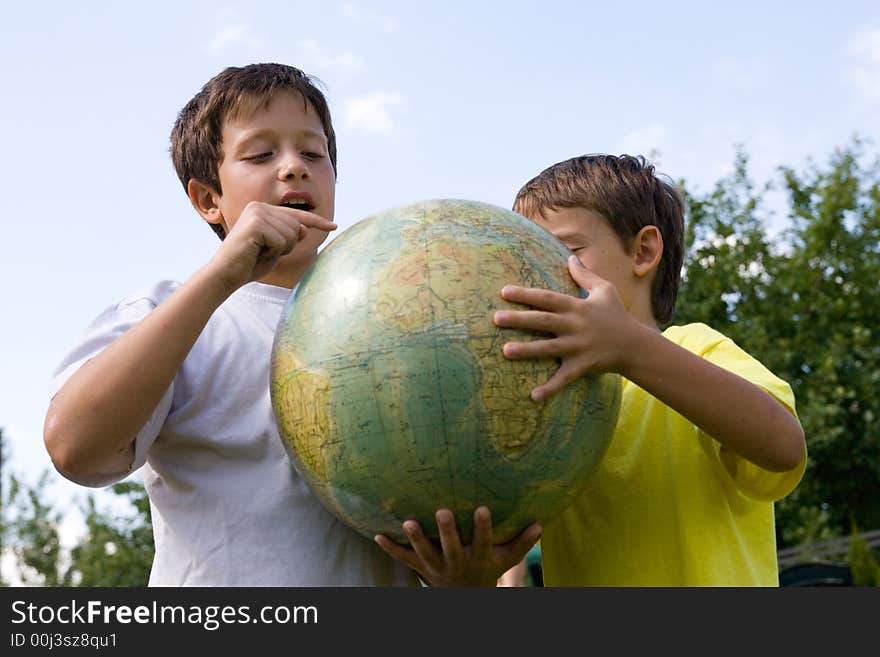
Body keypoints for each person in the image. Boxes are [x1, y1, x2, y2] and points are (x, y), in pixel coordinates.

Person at [42, 63, 418, 586]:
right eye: (261, 154)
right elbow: (74, 448)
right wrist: (222, 276)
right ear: (208, 200)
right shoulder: (169, 314)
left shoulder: (399, 317)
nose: (293, 167)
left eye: (314, 153)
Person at [490, 153, 807, 586]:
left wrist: (630, 349)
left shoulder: (695, 348)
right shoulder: (545, 397)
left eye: (563, 252)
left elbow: (784, 446)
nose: (538, 273)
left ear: (643, 251)